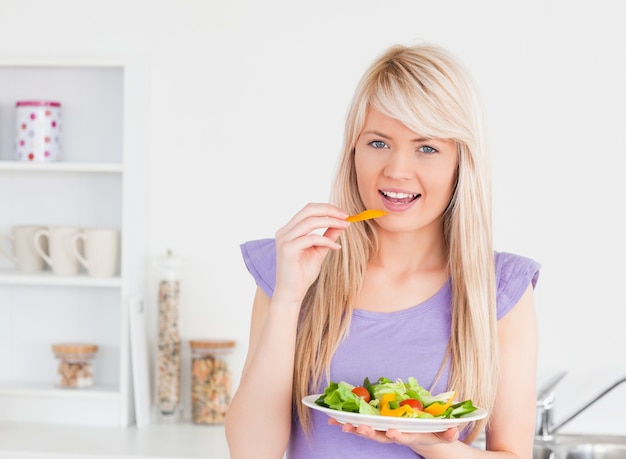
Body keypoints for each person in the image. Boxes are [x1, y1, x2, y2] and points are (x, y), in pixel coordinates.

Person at [225, 42, 540, 459]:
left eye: (427, 148)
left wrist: (423, 441)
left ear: (460, 163)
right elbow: (251, 453)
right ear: (353, 149)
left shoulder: (500, 288)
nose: (396, 170)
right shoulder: (292, 269)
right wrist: (287, 299)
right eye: (378, 143)